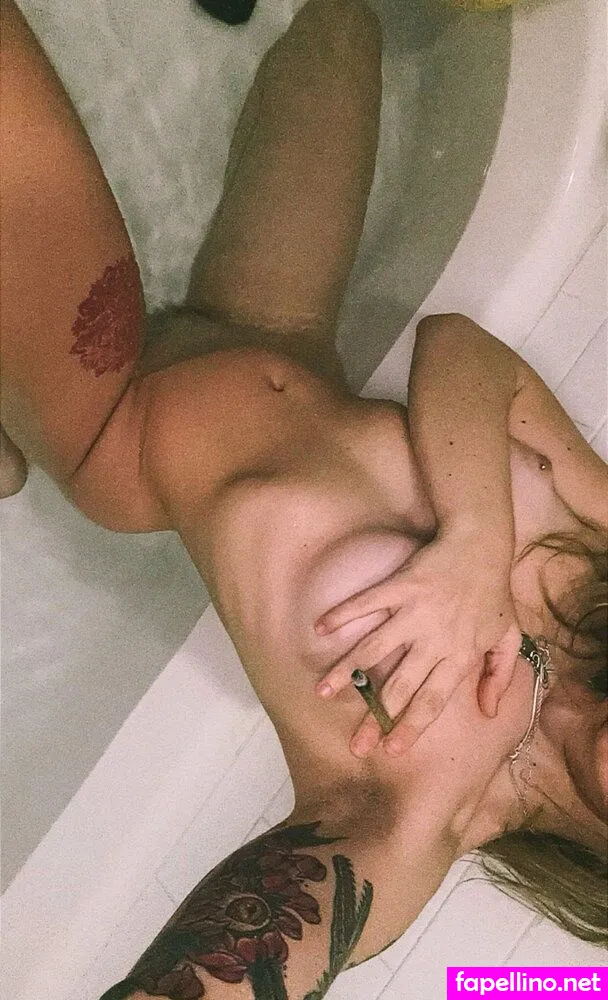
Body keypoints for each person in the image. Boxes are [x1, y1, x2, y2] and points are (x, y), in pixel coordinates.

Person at [1, 1, 606, 997]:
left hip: (124, 422)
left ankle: (20, 427)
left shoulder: (407, 817)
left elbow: (236, 971)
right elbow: (461, 351)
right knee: (347, 22)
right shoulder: (597, 568)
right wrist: (469, 545)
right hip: (276, 335)